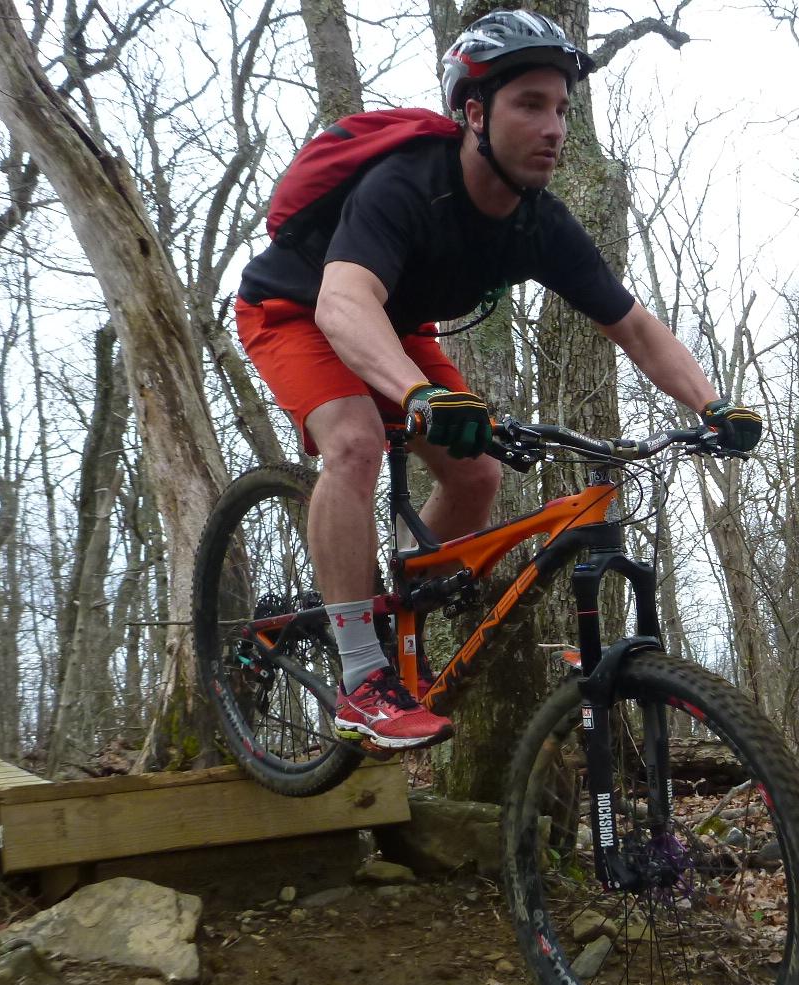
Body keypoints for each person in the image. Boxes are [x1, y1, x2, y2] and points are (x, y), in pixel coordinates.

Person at [235, 9, 762, 751]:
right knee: (354, 442)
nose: (554, 129)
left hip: (398, 325)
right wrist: (419, 397)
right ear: (474, 113)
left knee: (478, 474)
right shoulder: (406, 185)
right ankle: (361, 679)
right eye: (530, 105)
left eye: (561, 110)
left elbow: (636, 328)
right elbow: (342, 302)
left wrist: (715, 405)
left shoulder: (541, 224)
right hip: (296, 307)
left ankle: (381, 617)